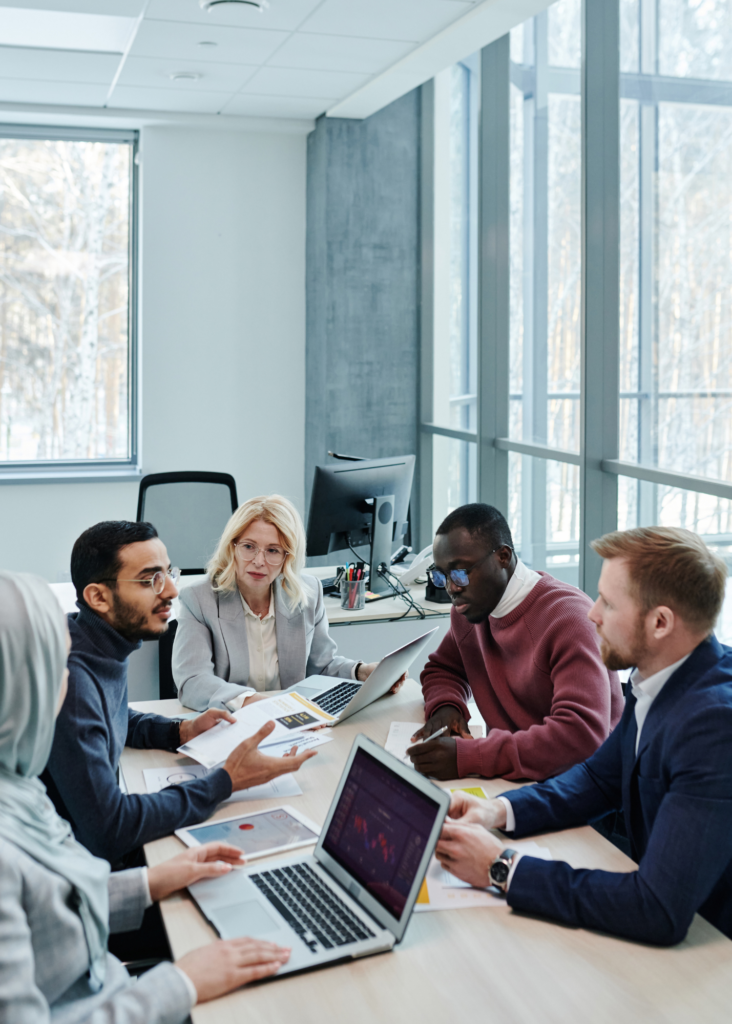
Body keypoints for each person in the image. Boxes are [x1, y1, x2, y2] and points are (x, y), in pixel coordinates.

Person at [0, 569, 292, 1022]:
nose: (66, 684)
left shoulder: (17, 787)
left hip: (108, 981)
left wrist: (151, 882)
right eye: (55, 669)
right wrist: (182, 981)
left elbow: (54, 904)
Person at [434, 526, 732, 946]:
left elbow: (657, 910)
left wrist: (501, 867)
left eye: (608, 603)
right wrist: (495, 812)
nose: (592, 613)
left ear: (661, 622)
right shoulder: (659, 678)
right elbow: (596, 779)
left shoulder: (713, 726)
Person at [42, 521, 316, 866]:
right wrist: (225, 781)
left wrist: (178, 731)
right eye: (149, 579)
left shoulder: (93, 640)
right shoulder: (74, 680)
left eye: (169, 572)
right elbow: (110, 828)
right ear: (98, 597)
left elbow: (111, 714)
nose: (171, 590)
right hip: (75, 873)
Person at [409, 504, 623, 781]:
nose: (452, 588)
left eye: (460, 572)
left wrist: (472, 757)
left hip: (580, 789)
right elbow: (444, 669)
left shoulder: (569, 620)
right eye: (441, 575)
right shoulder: (470, 610)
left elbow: (580, 736)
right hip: (514, 778)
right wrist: (446, 708)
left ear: (503, 556)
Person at [173, 494, 402, 711]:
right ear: (232, 547)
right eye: (249, 547)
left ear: (287, 558)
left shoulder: (308, 593)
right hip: (230, 722)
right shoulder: (199, 599)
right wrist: (252, 702)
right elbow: (193, 681)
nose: (258, 561)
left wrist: (362, 672)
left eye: (273, 550)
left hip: (291, 722)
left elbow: (320, 666)